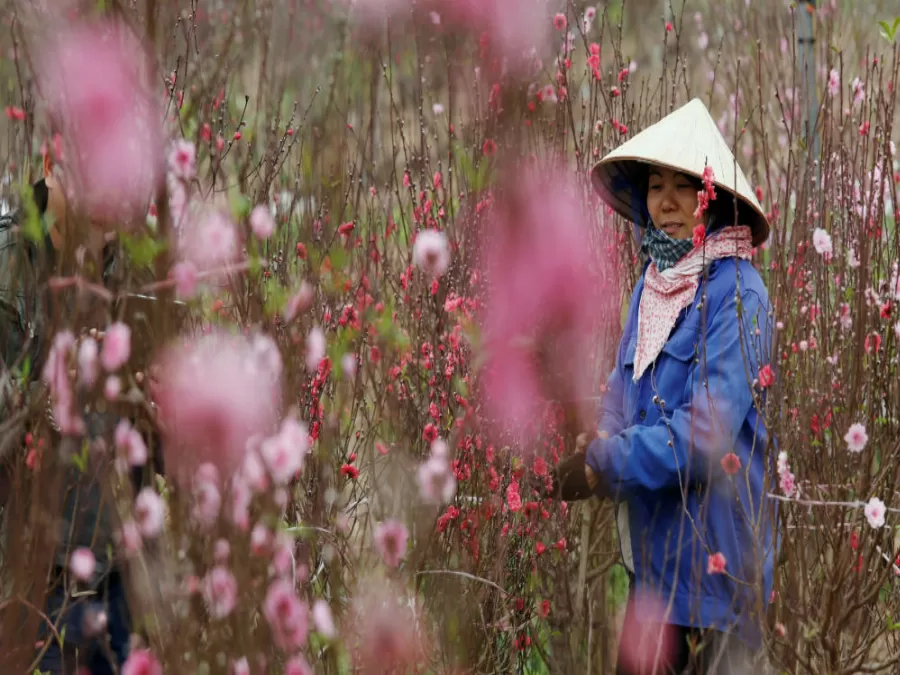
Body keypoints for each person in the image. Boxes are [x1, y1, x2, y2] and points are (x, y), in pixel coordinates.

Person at [560, 98, 777, 674]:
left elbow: (706, 434)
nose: (667, 202)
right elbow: (622, 383)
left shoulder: (739, 294)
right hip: (653, 572)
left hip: (713, 579)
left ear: (715, 198)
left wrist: (605, 461)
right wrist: (598, 434)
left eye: (685, 185)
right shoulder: (651, 287)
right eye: (656, 185)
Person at [0, 146, 140, 673]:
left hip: (115, 578)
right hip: (30, 587)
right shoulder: (8, 258)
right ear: (49, 165)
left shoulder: (130, 261)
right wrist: (49, 391)